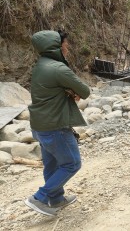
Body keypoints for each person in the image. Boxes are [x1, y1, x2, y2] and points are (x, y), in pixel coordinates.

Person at [25, 30, 90, 216]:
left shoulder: (40, 65)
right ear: (56, 46)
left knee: (52, 165)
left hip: (40, 125)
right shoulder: (58, 68)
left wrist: (68, 91)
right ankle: (39, 198)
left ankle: (56, 200)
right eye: (66, 44)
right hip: (55, 126)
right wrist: (73, 91)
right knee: (72, 163)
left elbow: (52, 90)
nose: (68, 48)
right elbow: (84, 90)